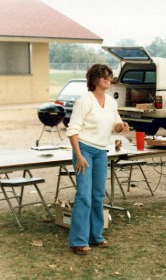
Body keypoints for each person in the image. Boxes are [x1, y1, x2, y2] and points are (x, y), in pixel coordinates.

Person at [66, 64, 130, 255]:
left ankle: (96, 236)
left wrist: (121, 126)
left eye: (110, 76)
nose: (108, 80)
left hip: (101, 151)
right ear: (94, 80)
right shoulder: (84, 101)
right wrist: (78, 156)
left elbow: (114, 126)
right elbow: (72, 130)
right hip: (84, 149)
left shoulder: (111, 102)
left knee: (98, 195)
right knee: (84, 195)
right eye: (104, 77)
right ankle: (78, 241)